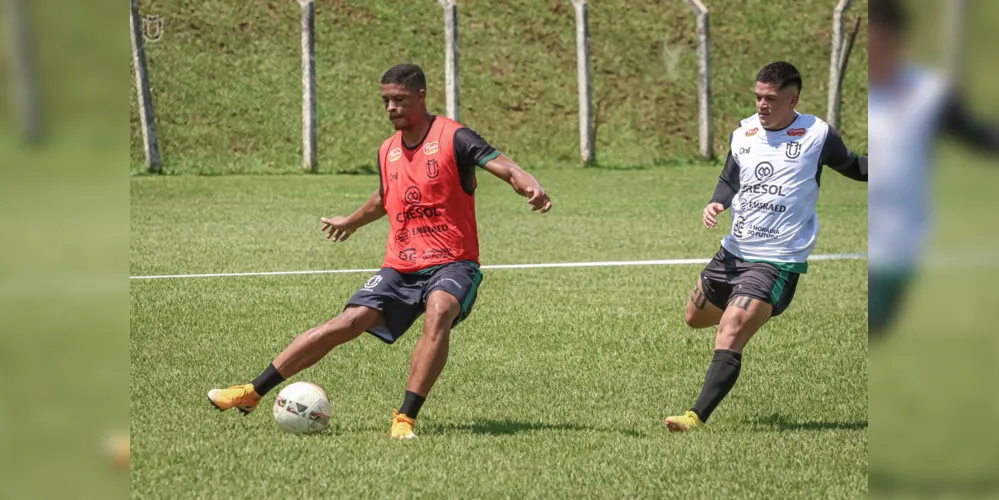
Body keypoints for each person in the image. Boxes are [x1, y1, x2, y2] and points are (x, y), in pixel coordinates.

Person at [207, 63, 552, 439]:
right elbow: (386, 196)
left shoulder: (454, 137)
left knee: (438, 310)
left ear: (421, 96)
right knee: (347, 323)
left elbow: (505, 165)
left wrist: (529, 185)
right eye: (386, 100)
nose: (391, 107)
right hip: (400, 266)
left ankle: (404, 419)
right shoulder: (387, 150)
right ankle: (252, 392)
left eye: (399, 99)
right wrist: (352, 221)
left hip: (453, 262)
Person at [664, 61, 868, 432]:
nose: (761, 105)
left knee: (731, 328)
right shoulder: (743, 133)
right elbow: (729, 178)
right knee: (694, 318)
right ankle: (746, 303)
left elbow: (855, 167)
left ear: (793, 100)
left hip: (777, 260)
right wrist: (717, 202)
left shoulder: (816, 135)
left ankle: (695, 417)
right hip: (733, 251)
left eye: (770, 99)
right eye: (758, 96)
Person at [867, 0, 999, 337]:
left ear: (898, 42)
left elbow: (982, 138)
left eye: (879, 45)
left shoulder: (926, 94)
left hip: (893, 246)